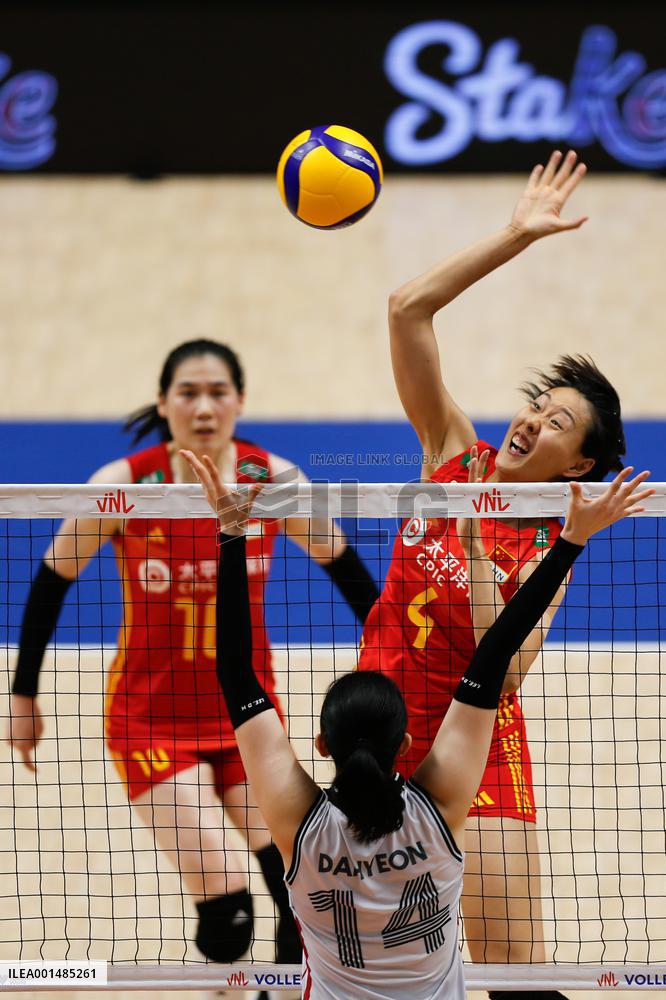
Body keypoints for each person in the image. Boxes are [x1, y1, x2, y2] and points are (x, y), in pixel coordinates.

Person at [182, 446, 652, 1000]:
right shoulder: (440, 811)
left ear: (320, 745)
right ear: (407, 743)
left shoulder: (296, 826)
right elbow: (492, 657)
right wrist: (568, 542)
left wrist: (230, 532)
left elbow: (235, 674)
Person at [6, 339, 379, 981]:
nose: (204, 408)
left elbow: (350, 574)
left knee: (301, 882)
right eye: (188, 393)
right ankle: (227, 980)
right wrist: (23, 693)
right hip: (152, 721)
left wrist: (386, 670)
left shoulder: (274, 481)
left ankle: (283, 994)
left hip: (249, 717)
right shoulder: (123, 486)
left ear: (240, 400)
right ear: (164, 402)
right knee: (229, 909)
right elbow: (52, 578)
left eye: (218, 393)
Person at [356, 149, 626, 995]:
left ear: (576, 468)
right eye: (536, 407)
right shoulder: (450, 450)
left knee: (519, 976)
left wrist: (477, 550)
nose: (530, 424)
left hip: (480, 748)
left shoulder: (554, 541)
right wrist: (516, 235)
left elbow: (503, 671)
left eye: (557, 426)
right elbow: (406, 310)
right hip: (380, 736)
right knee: (375, 962)